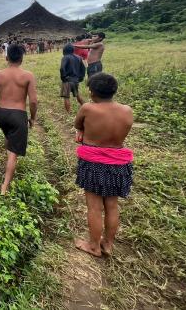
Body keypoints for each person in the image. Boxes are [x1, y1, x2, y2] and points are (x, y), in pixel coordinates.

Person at [74, 73, 134, 257]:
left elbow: (78, 125)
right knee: (112, 205)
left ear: (91, 92)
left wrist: (83, 132)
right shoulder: (127, 110)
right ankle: (107, 244)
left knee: (94, 207)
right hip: (118, 164)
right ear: (113, 90)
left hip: (93, 163)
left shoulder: (87, 108)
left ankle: (93, 246)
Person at [0, 44, 38, 194]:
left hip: (1, 112)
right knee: (13, 153)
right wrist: (33, 118)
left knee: (8, 135)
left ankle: (8, 158)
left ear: (7, 57)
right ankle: (5, 186)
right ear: (22, 58)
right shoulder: (28, 75)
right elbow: (34, 101)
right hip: (18, 114)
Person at [60, 43, 86, 112]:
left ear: (64, 50)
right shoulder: (79, 58)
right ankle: (85, 108)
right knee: (77, 95)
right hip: (75, 80)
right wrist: (81, 77)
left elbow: (62, 68)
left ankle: (68, 113)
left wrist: (63, 78)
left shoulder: (65, 57)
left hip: (67, 80)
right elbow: (83, 69)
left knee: (66, 97)